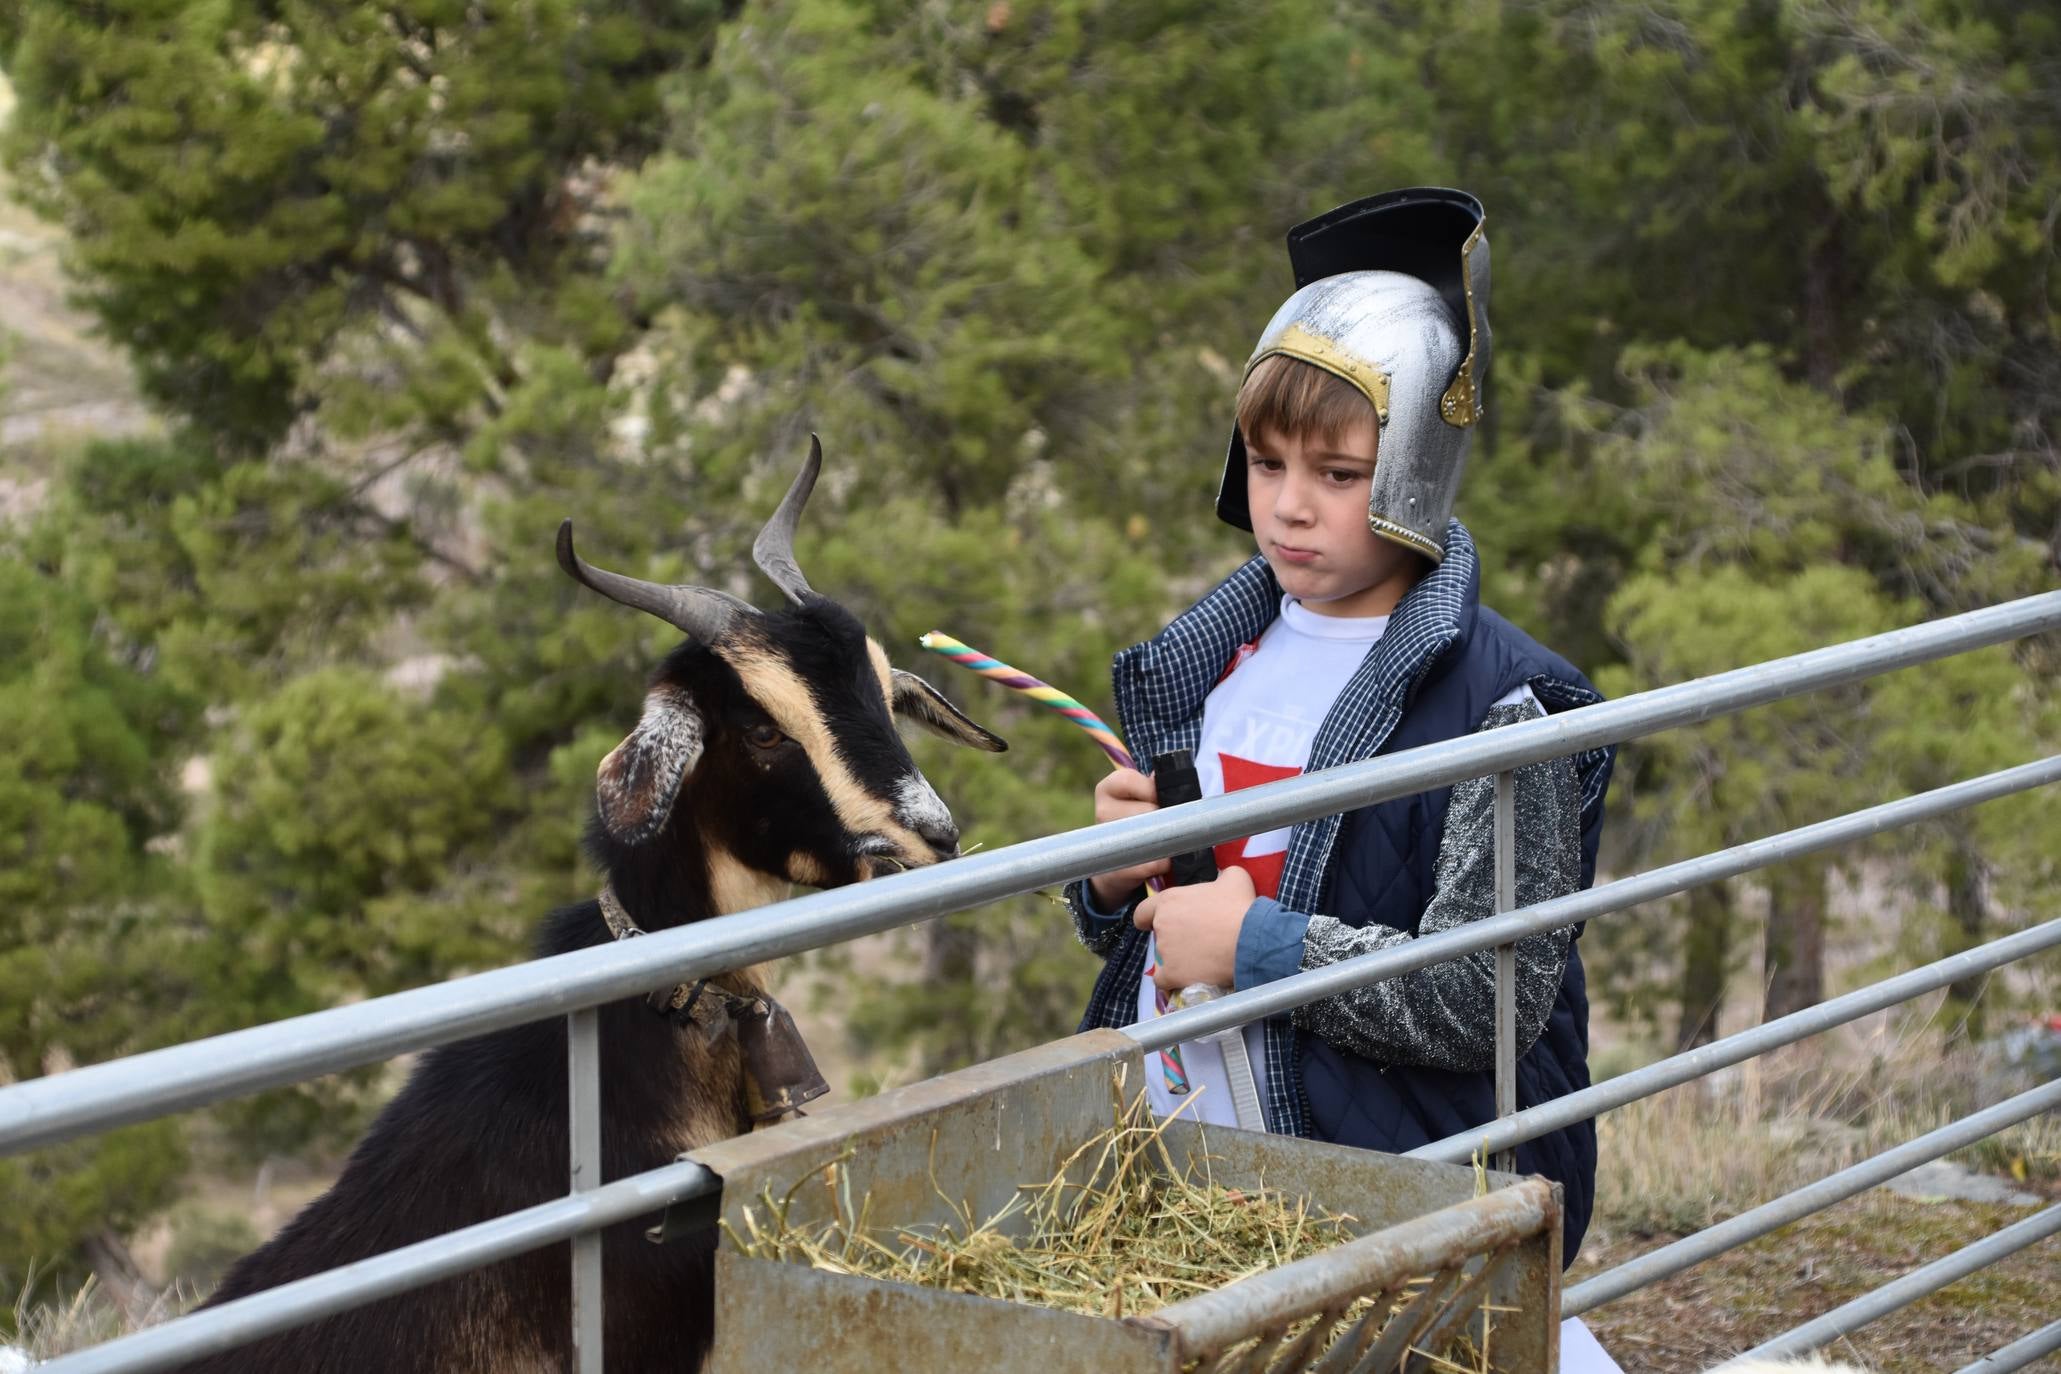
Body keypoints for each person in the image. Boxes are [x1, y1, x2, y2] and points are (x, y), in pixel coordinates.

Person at [1063, 187, 1617, 1268]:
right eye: (1268, 465)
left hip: (1400, 1184)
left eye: (1338, 474)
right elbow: (1156, 931)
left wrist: (1254, 946)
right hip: (1191, 1160)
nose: (1289, 506)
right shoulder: (1210, 666)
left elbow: (1485, 1000)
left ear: (1416, 463)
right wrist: (1111, 882)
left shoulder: (1510, 703)